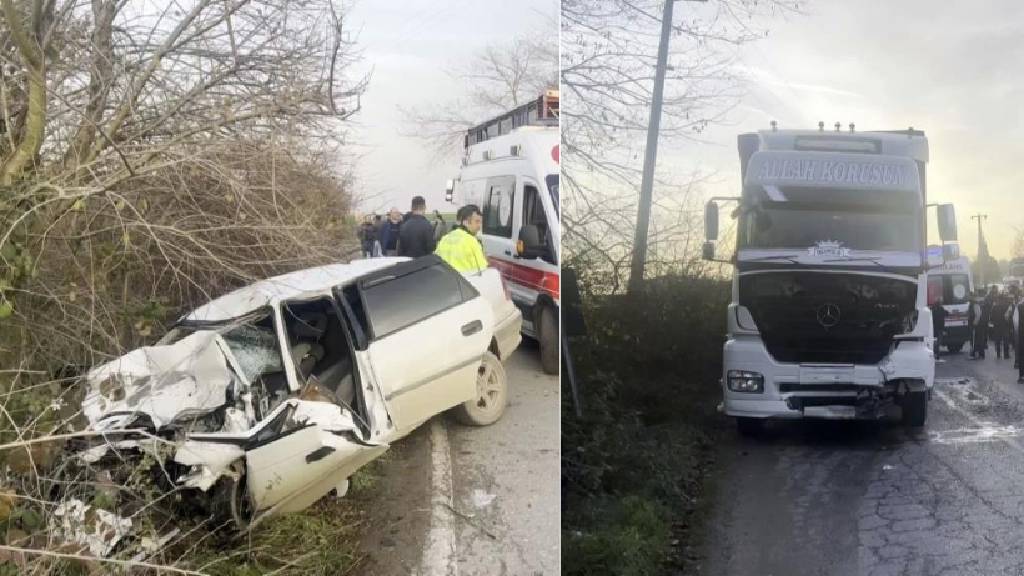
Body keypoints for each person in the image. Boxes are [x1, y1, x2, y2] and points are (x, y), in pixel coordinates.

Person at [435, 204, 488, 273]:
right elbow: (482, 269)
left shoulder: (445, 239)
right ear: (465, 222)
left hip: (445, 281)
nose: (479, 226)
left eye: (480, 222)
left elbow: (436, 262)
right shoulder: (471, 241)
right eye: (477, 221)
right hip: (465, 282)